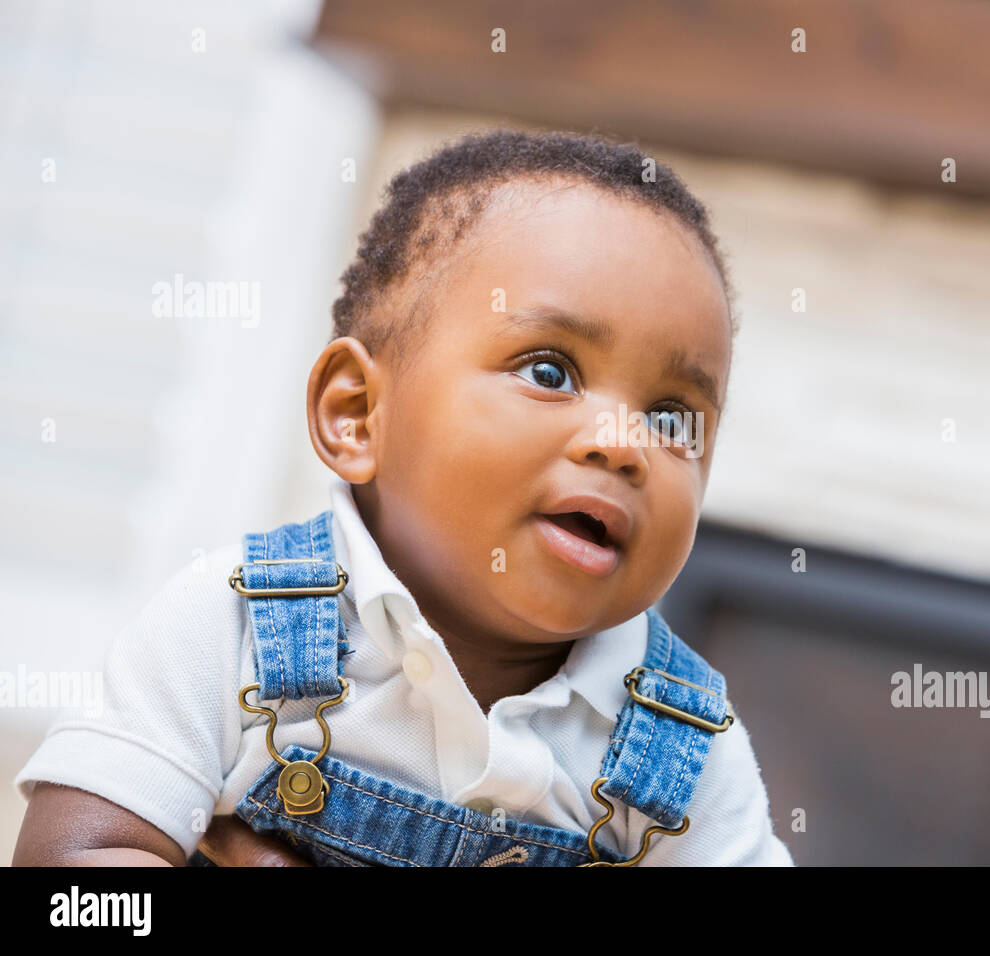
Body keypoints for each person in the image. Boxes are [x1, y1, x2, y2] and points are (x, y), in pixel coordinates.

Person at [11, 128, 794, 866]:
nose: (622, 444)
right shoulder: (234, 629)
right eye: (550, 371)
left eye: (672, 419)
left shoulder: (689, 751)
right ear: (357, 415)